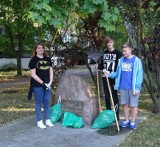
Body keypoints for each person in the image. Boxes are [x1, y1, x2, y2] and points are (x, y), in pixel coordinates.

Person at [104, 43, 143, 129]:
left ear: (130, 50)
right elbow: (117, 73)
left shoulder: (136, 61)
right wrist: (109, 74)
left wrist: (137, 88)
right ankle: (126, 120)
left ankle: (132, 121)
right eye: (123, 51)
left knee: (133, 105)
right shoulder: (121, 60)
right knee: (125, 105)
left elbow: (139, 75)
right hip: (123, 87)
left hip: (133, 88)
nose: (124, 52)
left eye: (125, 51)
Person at [28, 42, 54, 129]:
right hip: (37, 85)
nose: (41, 49)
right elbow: (33, 74)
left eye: (42, 48)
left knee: (47, 102)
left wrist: (50, 82)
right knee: (39, 102)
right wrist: (43, 83)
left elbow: (51, 71)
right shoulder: (33, 60)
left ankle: (48, 119)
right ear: (36, 49)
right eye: (39, 48)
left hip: (48, 84)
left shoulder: (48, 59)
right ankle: (39, 121)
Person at [96, 37, 122, 120]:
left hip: (113, 78)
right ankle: (108, 114)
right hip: (105, 77)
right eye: (107, 42)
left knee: (114, 97)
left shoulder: (118, 53)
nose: (109, 44)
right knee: (107, 97)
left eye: (110, 42)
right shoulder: (104, 53)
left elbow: (119, 66)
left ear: (113, 42)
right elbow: (102, 65)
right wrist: (98, 66)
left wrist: (114, 75)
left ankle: (116, 116)